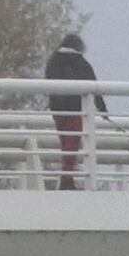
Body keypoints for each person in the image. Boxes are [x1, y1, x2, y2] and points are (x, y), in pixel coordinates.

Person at [44, 32, 98, 189]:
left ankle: (67, 178)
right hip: (75, 110)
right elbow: (94, 86)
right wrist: (102, 108)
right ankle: (66, 180)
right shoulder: (81, 63)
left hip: (58, 111)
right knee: (72, 145)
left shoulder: (53, 61)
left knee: (65, 144)